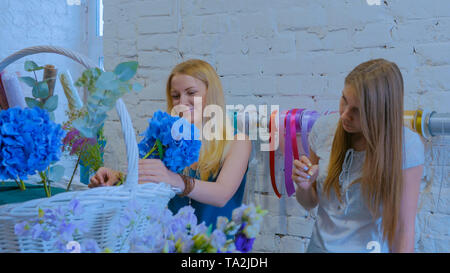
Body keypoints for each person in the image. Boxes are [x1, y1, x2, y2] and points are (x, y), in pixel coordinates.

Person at [89, 59, 251, 228]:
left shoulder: (237, 141)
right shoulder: (164, 139)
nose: (181, 102)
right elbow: (143, 179)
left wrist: (174, 180)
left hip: (216, 245)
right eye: (175, 96)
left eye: (191, 93)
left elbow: (221, 195)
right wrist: (117, 178)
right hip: (173, 243)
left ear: (211, 94)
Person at [292, 59, 424, 253]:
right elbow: (310, 202)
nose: (345, 115)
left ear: (381, 112)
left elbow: (404, 228)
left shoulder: (407, 147)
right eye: (344, 99)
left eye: (357, 110)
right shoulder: (324, 129)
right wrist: (303, 186)